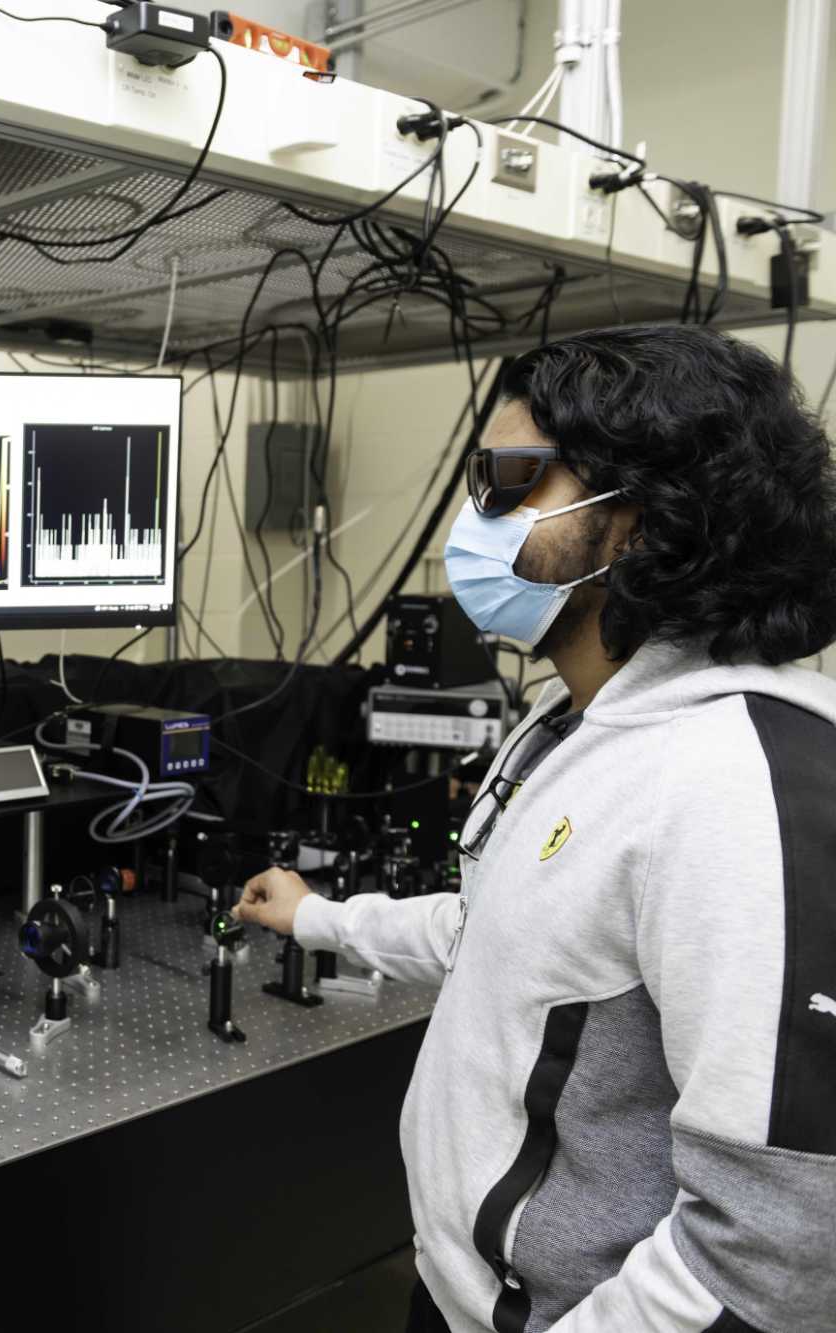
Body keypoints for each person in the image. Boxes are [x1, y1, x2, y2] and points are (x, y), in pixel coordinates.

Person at [235, 326, 836, 1333]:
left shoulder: (735, 784)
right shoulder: (576, 724)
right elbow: (509, 939)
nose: (473, 521)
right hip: (463, 1288)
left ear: (640, 522)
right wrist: (324, 920)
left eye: (511, 481)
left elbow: (775, 1242)